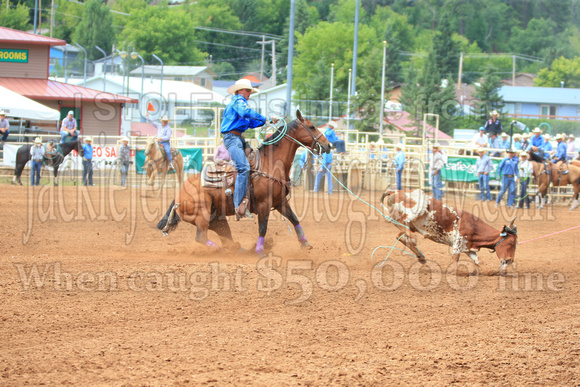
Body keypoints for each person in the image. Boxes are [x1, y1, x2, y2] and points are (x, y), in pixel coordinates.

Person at [221, 78, 269, 219]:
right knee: (244, 168)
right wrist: (265, 119)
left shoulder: (240, 106)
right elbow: (247, 113)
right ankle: (238, 205)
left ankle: (249, 198)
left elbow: (251, 122)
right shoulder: (238, 101)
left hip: (238, 139)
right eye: (248, 90)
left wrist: (268, 121)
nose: (249, 93)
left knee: (254, 165)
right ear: (240, 90)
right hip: (232, 138)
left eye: (250, 91)